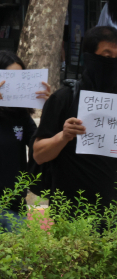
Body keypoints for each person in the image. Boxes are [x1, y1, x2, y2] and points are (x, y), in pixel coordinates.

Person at [32, 26, 117, 211]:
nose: (113, 62)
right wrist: (63, 136)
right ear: (90, 56)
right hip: (70, 211)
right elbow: (38, 154)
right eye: (107, 56)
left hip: (114, 212)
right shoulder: (64, 98)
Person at [0, 51, 51, 232]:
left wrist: (50, 109)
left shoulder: (21, 116)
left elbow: (40, 144)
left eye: (21, 79)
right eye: (10, 79)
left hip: (15, 203)